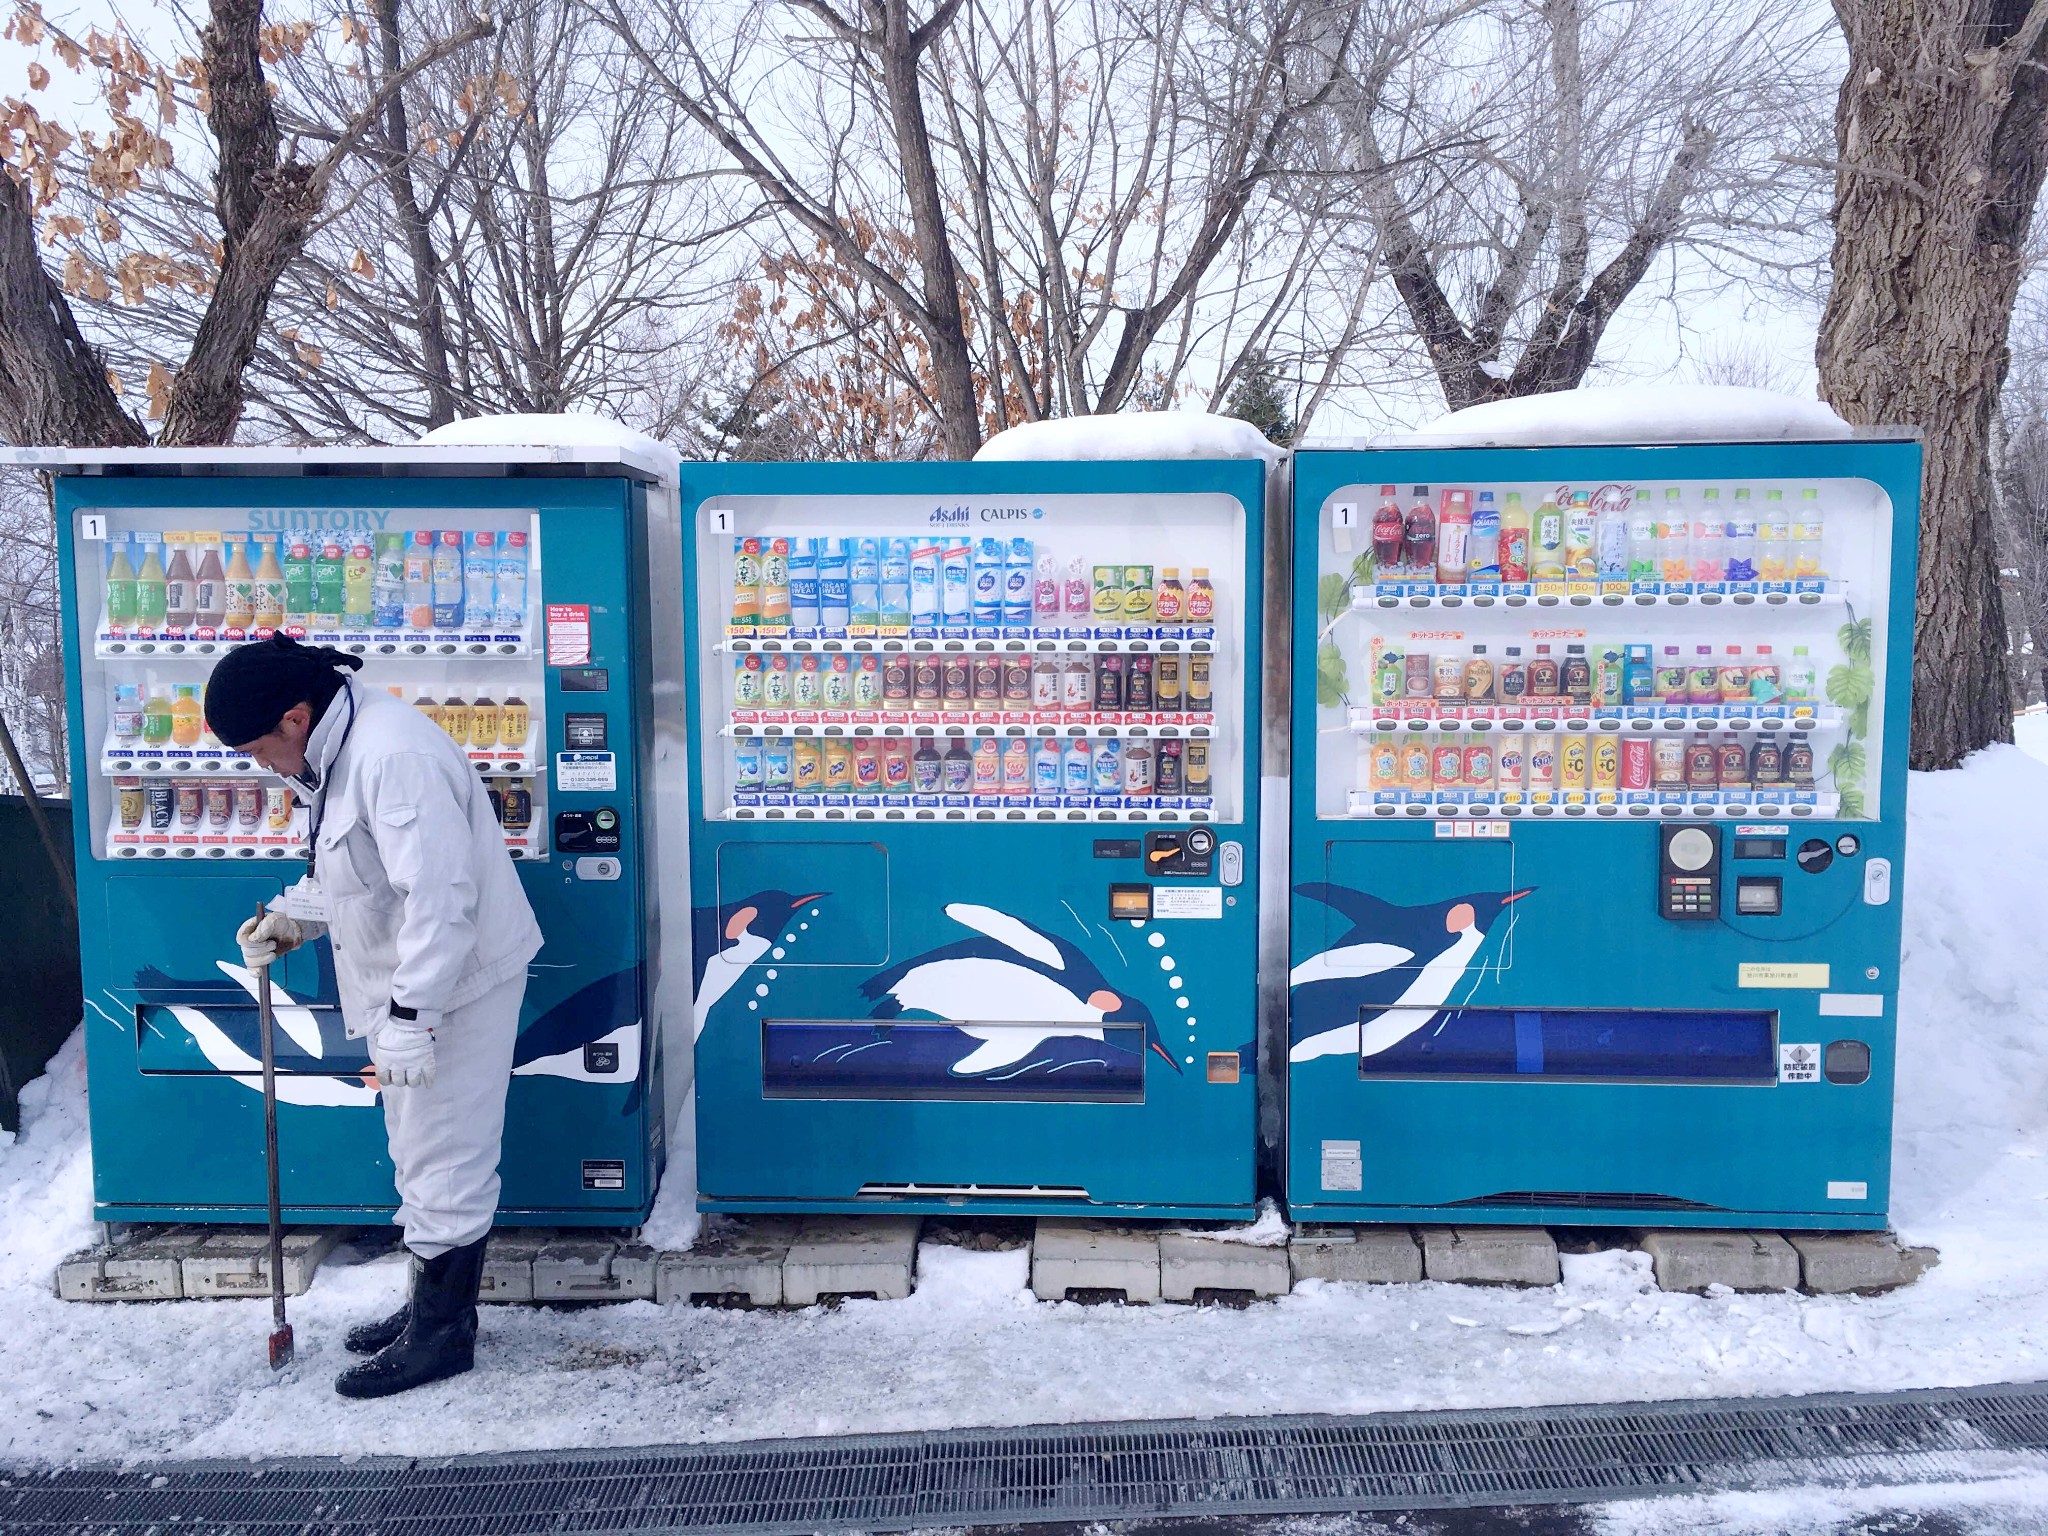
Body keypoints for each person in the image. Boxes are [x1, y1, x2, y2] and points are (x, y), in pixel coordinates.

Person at [206, 634, 542, 1399]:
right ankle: (429, 1307)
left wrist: (410, 1016)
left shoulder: (392, 758)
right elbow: (363, 870)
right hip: (416, 982)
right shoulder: (344, 744)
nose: (261, 765)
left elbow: (440, 900)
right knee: (416, 1148)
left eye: (260, 749)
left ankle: (443, 1335)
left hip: (451, 983)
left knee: (445, 1156)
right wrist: (296, 917)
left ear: (295, 717)